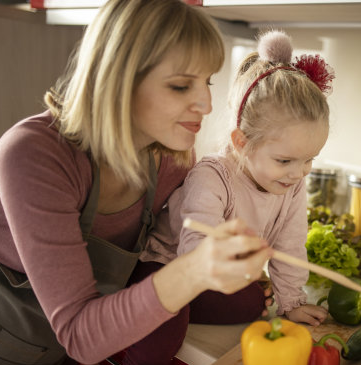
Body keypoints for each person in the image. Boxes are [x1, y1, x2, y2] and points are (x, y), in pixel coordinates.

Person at [0, 1, 273, 365]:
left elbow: (145, 275)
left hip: (52, 364)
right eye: (180, 85)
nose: (206, 105)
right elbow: (82, 334)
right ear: (117, 79)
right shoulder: (33, 156)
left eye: (207, 82)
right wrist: (194, 270)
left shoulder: (172, 160)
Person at [141, 30, 335, 326]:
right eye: (284, 160)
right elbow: (196, 249)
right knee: (240, 304)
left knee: (251, 302)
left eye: (309, 160)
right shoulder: (212, 176)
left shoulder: (291, 184)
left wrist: (291, 301)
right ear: (242, 142)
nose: (298, 173)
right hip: (168, 266)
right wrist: (242, 267)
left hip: (217, 274)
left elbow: (290, 246)